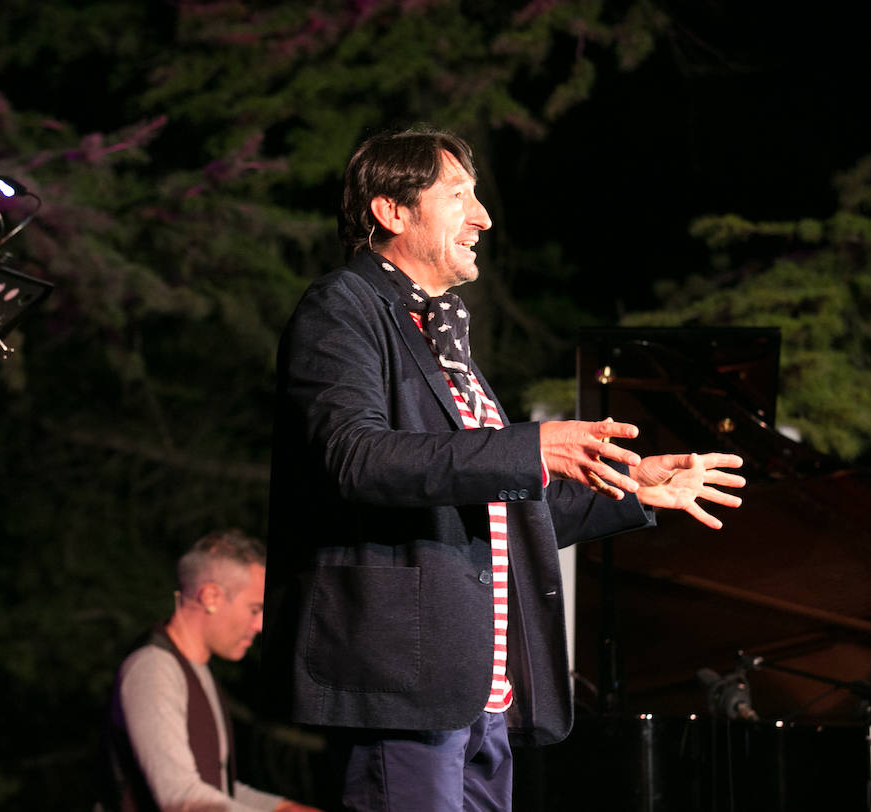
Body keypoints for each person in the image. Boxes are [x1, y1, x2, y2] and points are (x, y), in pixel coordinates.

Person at [261, 126, 747, 811]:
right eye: (458, 195)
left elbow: (501, 508)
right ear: (391, 212)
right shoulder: (342, 308)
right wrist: (528, 446)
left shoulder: (440, 335)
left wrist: (633, 490)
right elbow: (355, 457)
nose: (482, 217)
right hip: (407, 687)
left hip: (479, 696)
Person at [103, 530, 321, 812]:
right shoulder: (153, 669)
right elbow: (183, 799)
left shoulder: (197, 670)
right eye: (254, 609)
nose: (259, 625)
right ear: (211, 596)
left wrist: (284, 808)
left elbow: (218, 789)